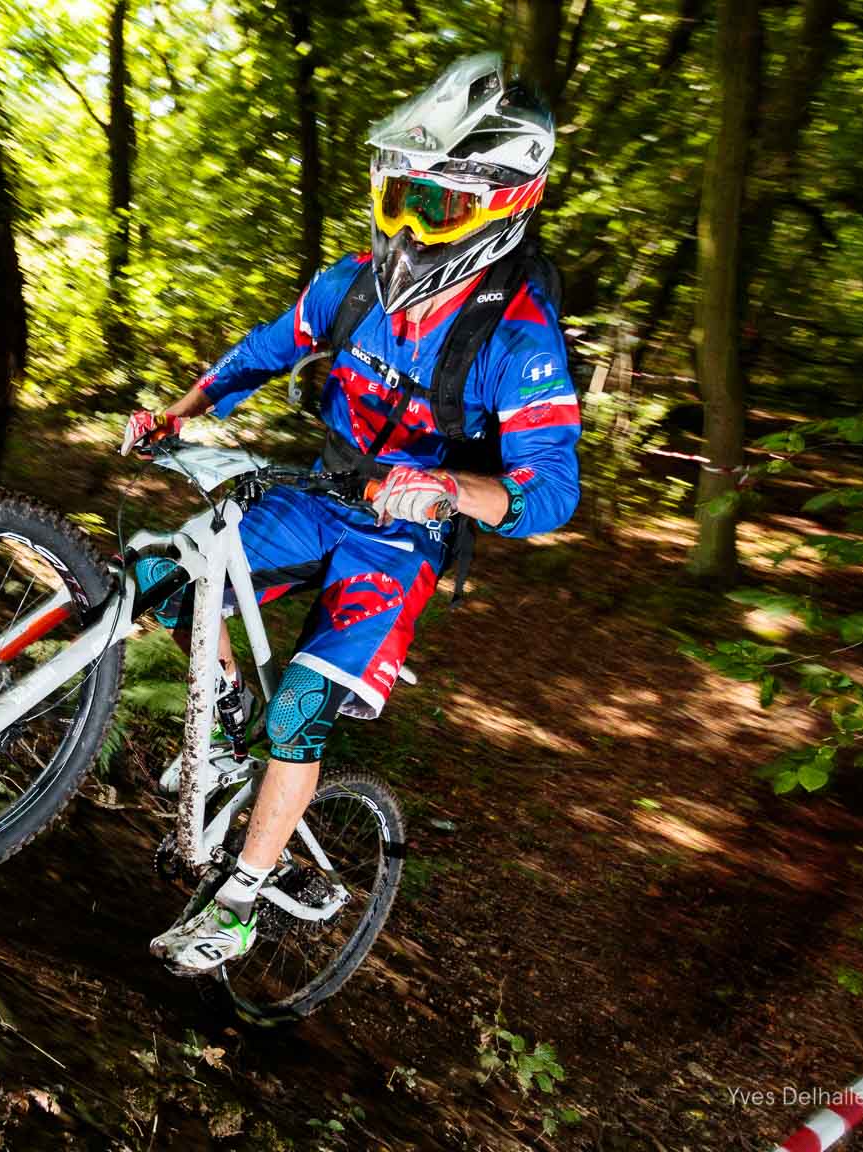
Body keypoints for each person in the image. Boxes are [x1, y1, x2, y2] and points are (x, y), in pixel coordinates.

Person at [119, 55, 582, 975]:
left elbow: (554, 488)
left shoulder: (520, 338)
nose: (408, 224)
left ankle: (240, 903)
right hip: (321, 491)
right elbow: (260, 352)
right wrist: (179, 412)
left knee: (301, 708)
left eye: (437, 205)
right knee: (162, 574)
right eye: (398, 195)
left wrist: (452, 491)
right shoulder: (354, 284)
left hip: (403, 536)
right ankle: (226, 709)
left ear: (504, 206)